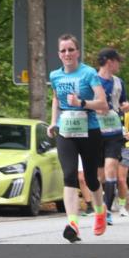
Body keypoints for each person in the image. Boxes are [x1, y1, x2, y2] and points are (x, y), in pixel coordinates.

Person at [47, 34, 110, 243]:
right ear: (59, 54)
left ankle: (100, 210)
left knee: (91, 179)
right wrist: (53, 122)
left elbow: (103, 104)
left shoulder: (89, 73)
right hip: (66, 131)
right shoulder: (55, 75)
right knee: (70, 175)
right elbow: (56, 99)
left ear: (78, 52)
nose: (67, 54)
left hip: (89, 130)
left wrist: (82, 103)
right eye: (63, 50)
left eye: (70, 50)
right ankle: (72, 223)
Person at [96, 48, 129, 226]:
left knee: (110, 170)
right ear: (110, 61)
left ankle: (107, 211)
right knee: (99, 176)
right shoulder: (91, 80)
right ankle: (100, 204)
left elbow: (124, 103)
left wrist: (126, 107)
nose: (119, 64)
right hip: (96, 131)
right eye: (118, 61)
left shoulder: (119, 82)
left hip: (114, 132)